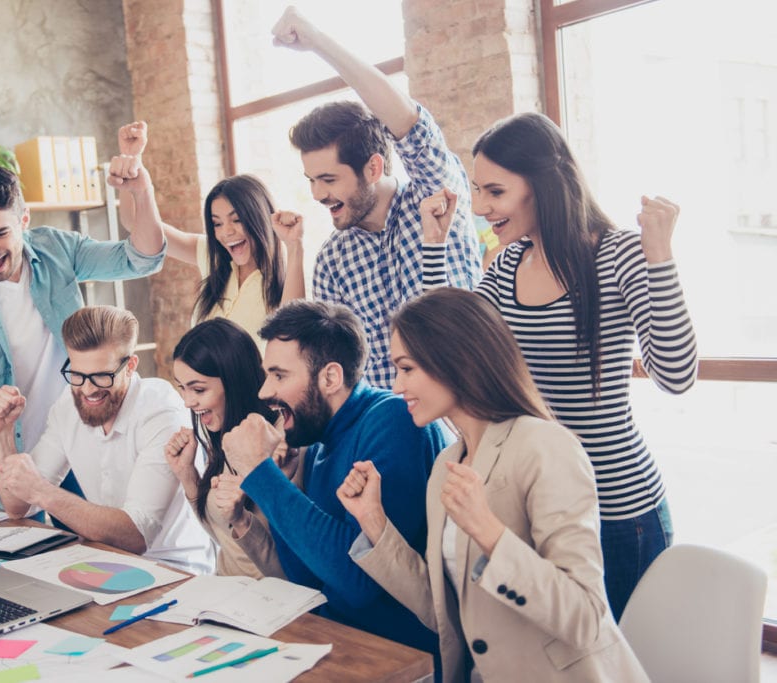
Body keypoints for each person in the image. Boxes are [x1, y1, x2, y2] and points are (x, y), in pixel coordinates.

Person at [419, 111, 698, 618]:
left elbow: (676, 374)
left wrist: (660, 255)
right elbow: (447, 347)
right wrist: (434, 248)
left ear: (542, 184)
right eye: (478, 191)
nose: (481, 208)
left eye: (495, 192)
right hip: (541, 505)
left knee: (610, 663)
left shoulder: (618, 256)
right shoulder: (506, 266)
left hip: (619, 510)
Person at [338, 288, 649, 683]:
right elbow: (443, 614)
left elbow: (585, 617)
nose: (397, 387)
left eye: (407, 368)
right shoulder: (447, 465)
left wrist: (489, 533)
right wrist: (374, 522)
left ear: (456, 360)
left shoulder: (544, 446)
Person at [0, 163, 166, 530]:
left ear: (23, 219)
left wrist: (141, 191)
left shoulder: (57, 250)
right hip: (9, 464)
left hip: (84, 447)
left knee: (100, 565)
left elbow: (141, 257)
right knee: (25, 578)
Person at [220, 300, 449, 657]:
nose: (265, 392)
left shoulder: (393, 419)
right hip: (342, 645)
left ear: (330, 377)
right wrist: (276, 480)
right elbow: (308, 581)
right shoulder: (319, 441)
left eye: (279, 375)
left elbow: (359, 586)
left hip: (402, 660)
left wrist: (259, 473)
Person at [271, 6, 482, 389]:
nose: (318, 194)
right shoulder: (333, 260)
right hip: (390, 433)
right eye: (311, 180)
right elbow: (336, 372)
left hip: (468, 414)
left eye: (328, 179)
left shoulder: (432, 199)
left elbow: (411, 124)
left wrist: (315, 39)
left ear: (373, 167)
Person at [0, 305, 214, 574]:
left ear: (130, 366)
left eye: (101, 377)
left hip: (176, 571)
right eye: (78, 375)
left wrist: (41, 491)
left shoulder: (161, 411)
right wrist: (1, 432)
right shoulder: (68, 406)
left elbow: (135, 536)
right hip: (110, 564)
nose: (88, 389)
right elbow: (18, 506)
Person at [113, 122, 305, 345]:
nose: (227, 232)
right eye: (217, 223)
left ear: (259, 217)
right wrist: (131, 159)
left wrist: (295, 245)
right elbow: (135, 222)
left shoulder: (283, 277)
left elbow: (294, 336)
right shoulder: (213, 256)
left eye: (236, 219)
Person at [165, 318, 291, 578]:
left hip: (274, 602)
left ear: (234, 381)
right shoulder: (227, 431)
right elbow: (226, 539)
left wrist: (242, 519)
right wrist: (187, 475)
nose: (187, 402)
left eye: (198, 389)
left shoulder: (281, 442)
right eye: (182, 388)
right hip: (227, 593)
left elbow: (290, 570)